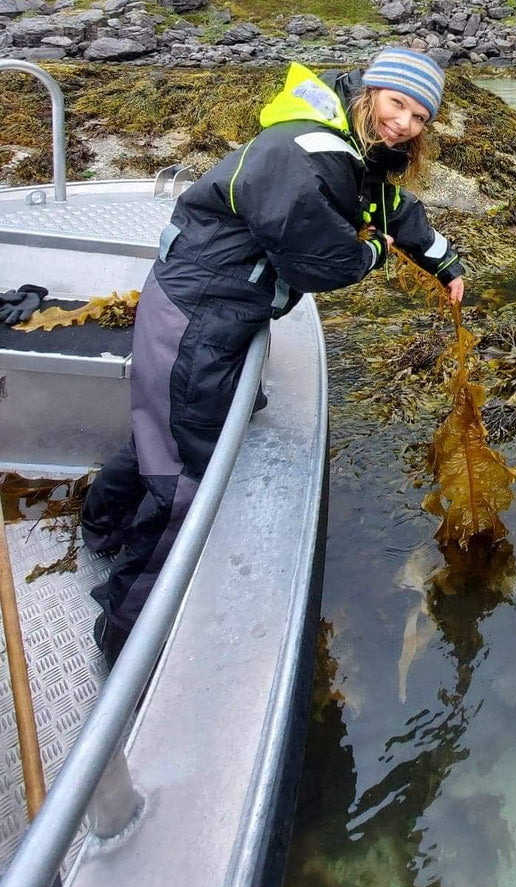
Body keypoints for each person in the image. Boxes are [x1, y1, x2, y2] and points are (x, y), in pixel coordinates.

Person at [81, 49, 464, 665]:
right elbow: (321, 258)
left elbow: (386, 207)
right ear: (370, 91)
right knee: (186, 472)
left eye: (421, 117)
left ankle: (100, 527)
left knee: (168, 429)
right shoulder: (305, 151)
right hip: (200, 314)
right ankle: (125, 635)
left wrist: (440, 259)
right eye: (398, 104)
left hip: (217, 311)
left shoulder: (346, 144)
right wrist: (375, 258)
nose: (406, 125)